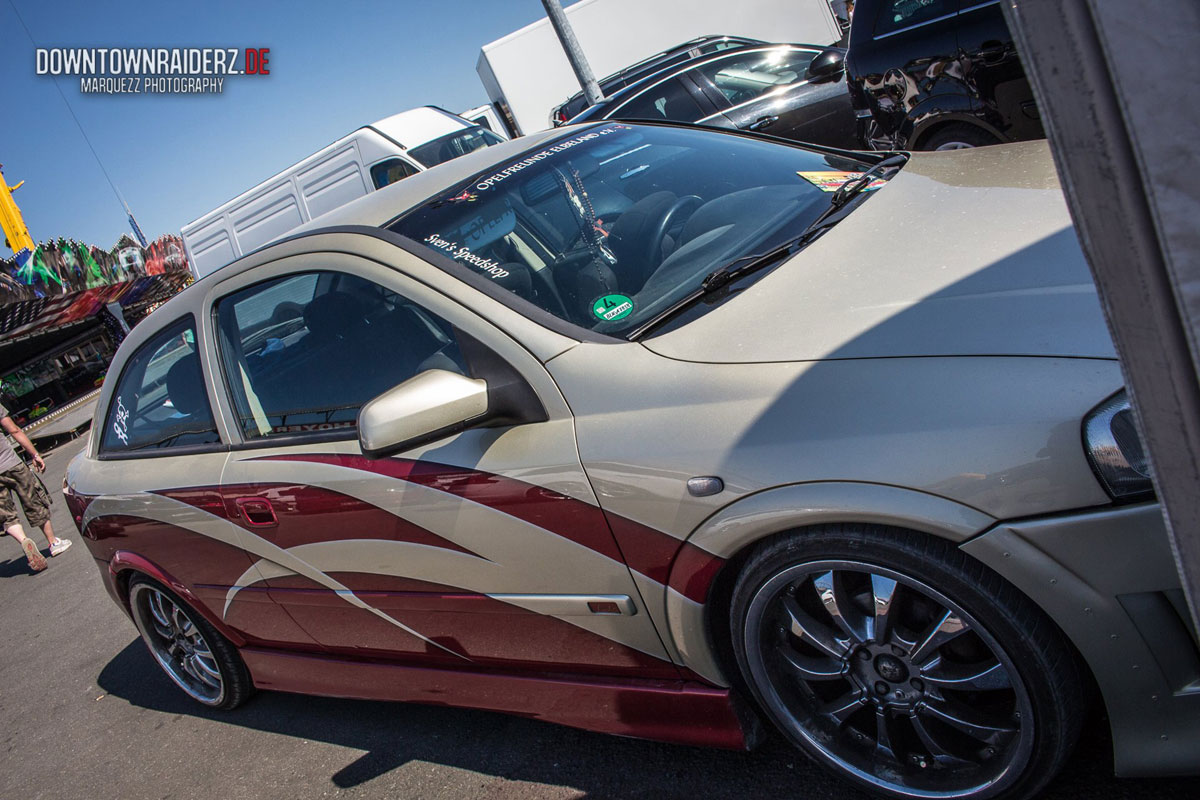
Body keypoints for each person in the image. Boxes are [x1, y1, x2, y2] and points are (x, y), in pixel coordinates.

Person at [0, 404, 70, 572]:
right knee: (34, 501)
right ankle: (53, 543)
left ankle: (24, 540)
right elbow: (14, 430)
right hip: (12, 464)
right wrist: (34, 454)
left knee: (6, 516)